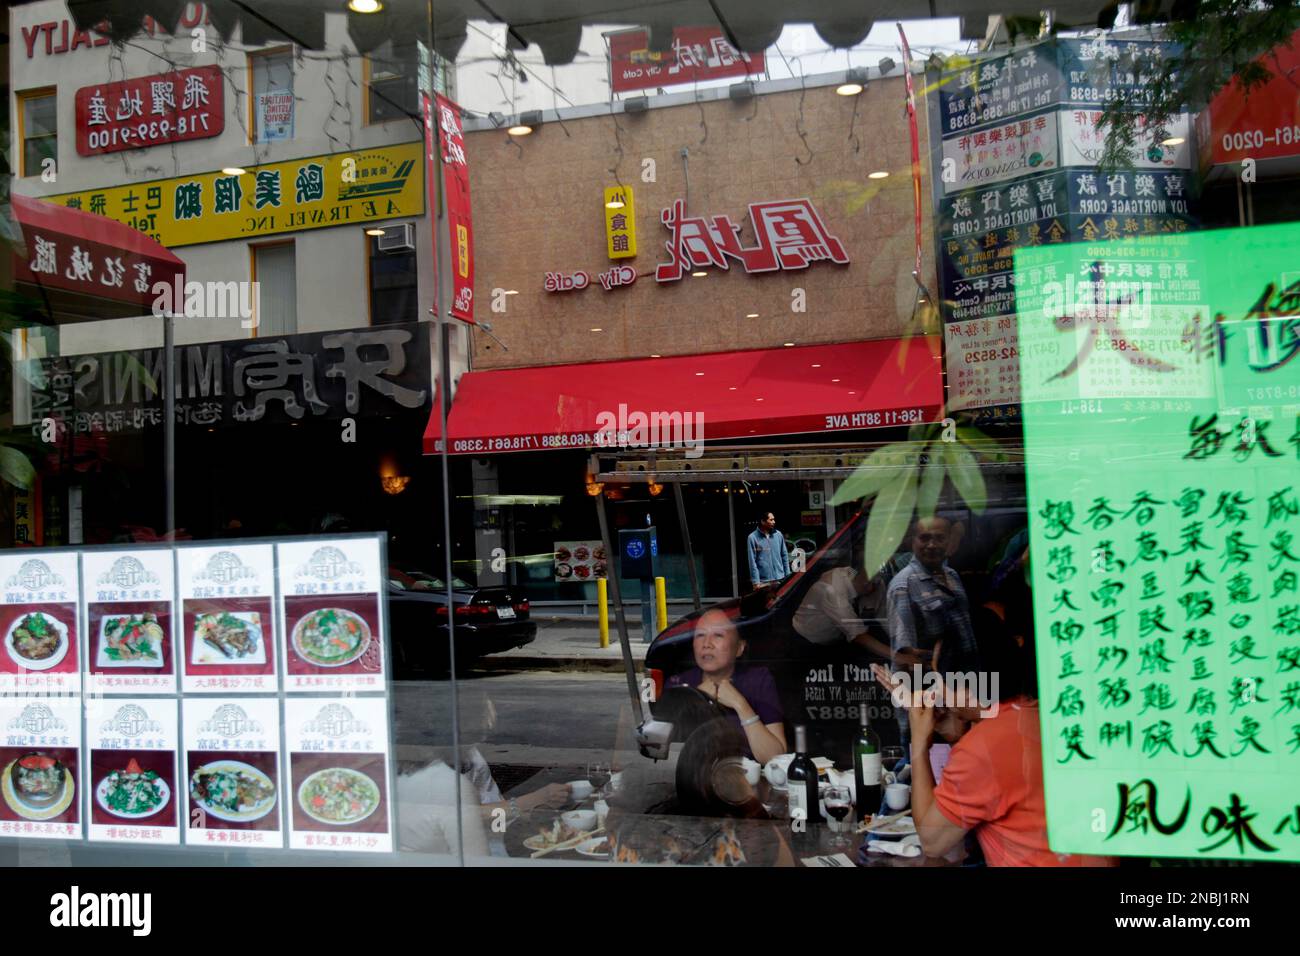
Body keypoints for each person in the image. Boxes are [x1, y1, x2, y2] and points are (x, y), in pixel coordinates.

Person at [871, 630, 1117, 867]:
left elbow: (932, 841)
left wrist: (920, 742)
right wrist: (956, 733)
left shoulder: (984, 746)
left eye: (940, 678)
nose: (936, 690)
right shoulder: (1049, 714)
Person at [665, 609, 786, 764]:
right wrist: (697, 698)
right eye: (700, 635)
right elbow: (668, 757)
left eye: (718, 635)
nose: (706, 644)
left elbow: (774, 758)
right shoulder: (678, 684)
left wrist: (740, 705)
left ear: (739, 648)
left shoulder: (758, 680)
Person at [792, 561, 893, 661]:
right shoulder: (833, 590)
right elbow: (858, 635)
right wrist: (900, 658)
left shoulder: (861, 577)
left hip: (839, 637)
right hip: (807, 642)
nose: (874, 586)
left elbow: (884, 616)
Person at [747, 512, 790, 591]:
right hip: (764, 582)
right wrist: (756, 582)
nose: (774, 522)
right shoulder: (752, 538)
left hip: (780, 578)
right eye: (771, 520)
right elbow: (752, 562)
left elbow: (784, 555)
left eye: (774, 519)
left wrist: (787, 574)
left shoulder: (778, 534)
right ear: (763, 521)